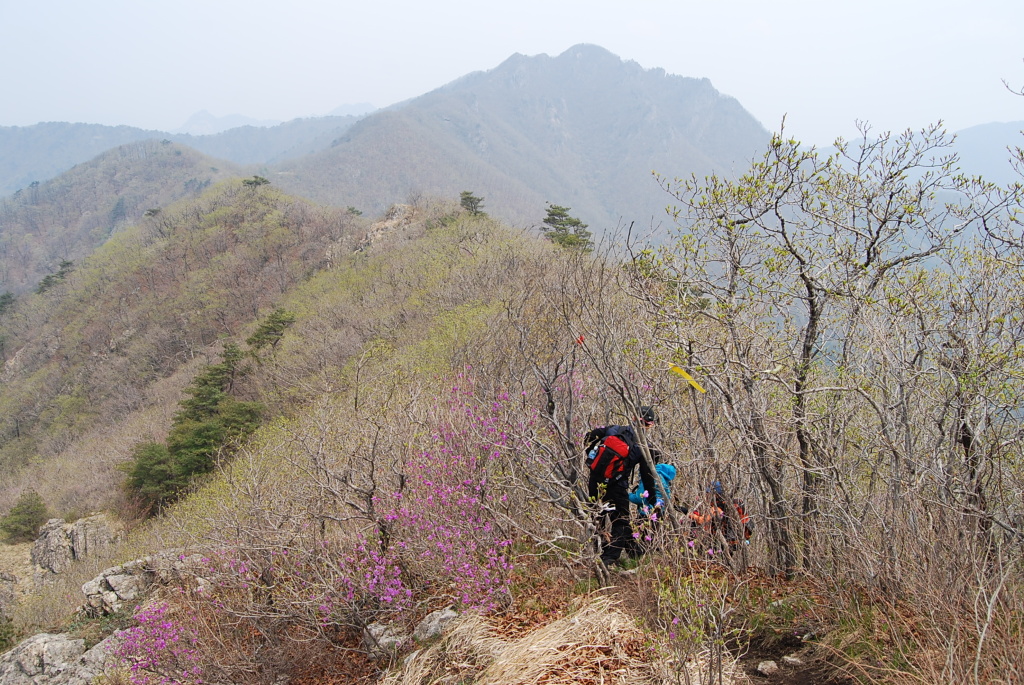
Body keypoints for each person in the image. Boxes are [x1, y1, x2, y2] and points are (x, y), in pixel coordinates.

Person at [584, 405, 661, 567]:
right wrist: (653, 500)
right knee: (621, 521)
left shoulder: (613, 429)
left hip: (595, 481)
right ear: (650, 425)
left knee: (597, 517)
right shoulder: (643, 447)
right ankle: (608, 559)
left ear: (633, 418)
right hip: (617, 486)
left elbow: (589, 436)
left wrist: (591, 457)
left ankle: (604, 551)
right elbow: (647, 479)